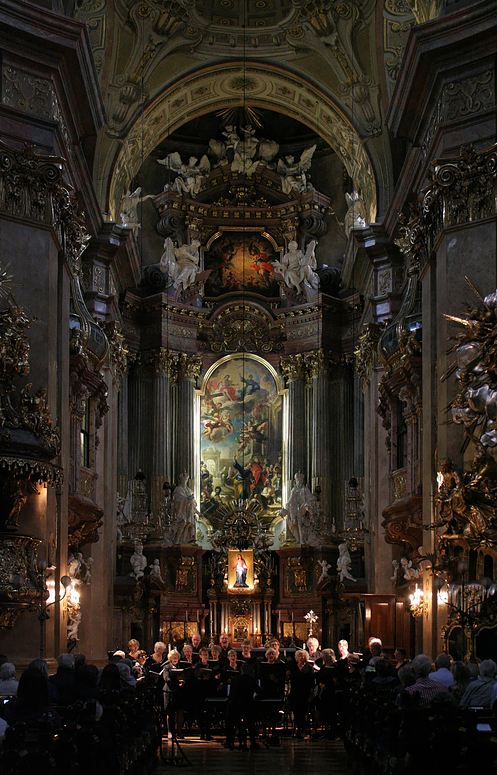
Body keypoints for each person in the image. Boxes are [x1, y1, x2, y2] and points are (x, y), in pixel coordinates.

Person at [288, 650, 314, 739]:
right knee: (296, 711)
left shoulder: (309, 668)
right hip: (295, 692)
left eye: (303, 656)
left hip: (305, 693)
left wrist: (310, 695)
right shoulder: (293, 668)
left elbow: (311, 682)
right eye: (299, 656)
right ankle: (298, 729)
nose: (301, 658)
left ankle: (302, 730)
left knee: (303, 712)